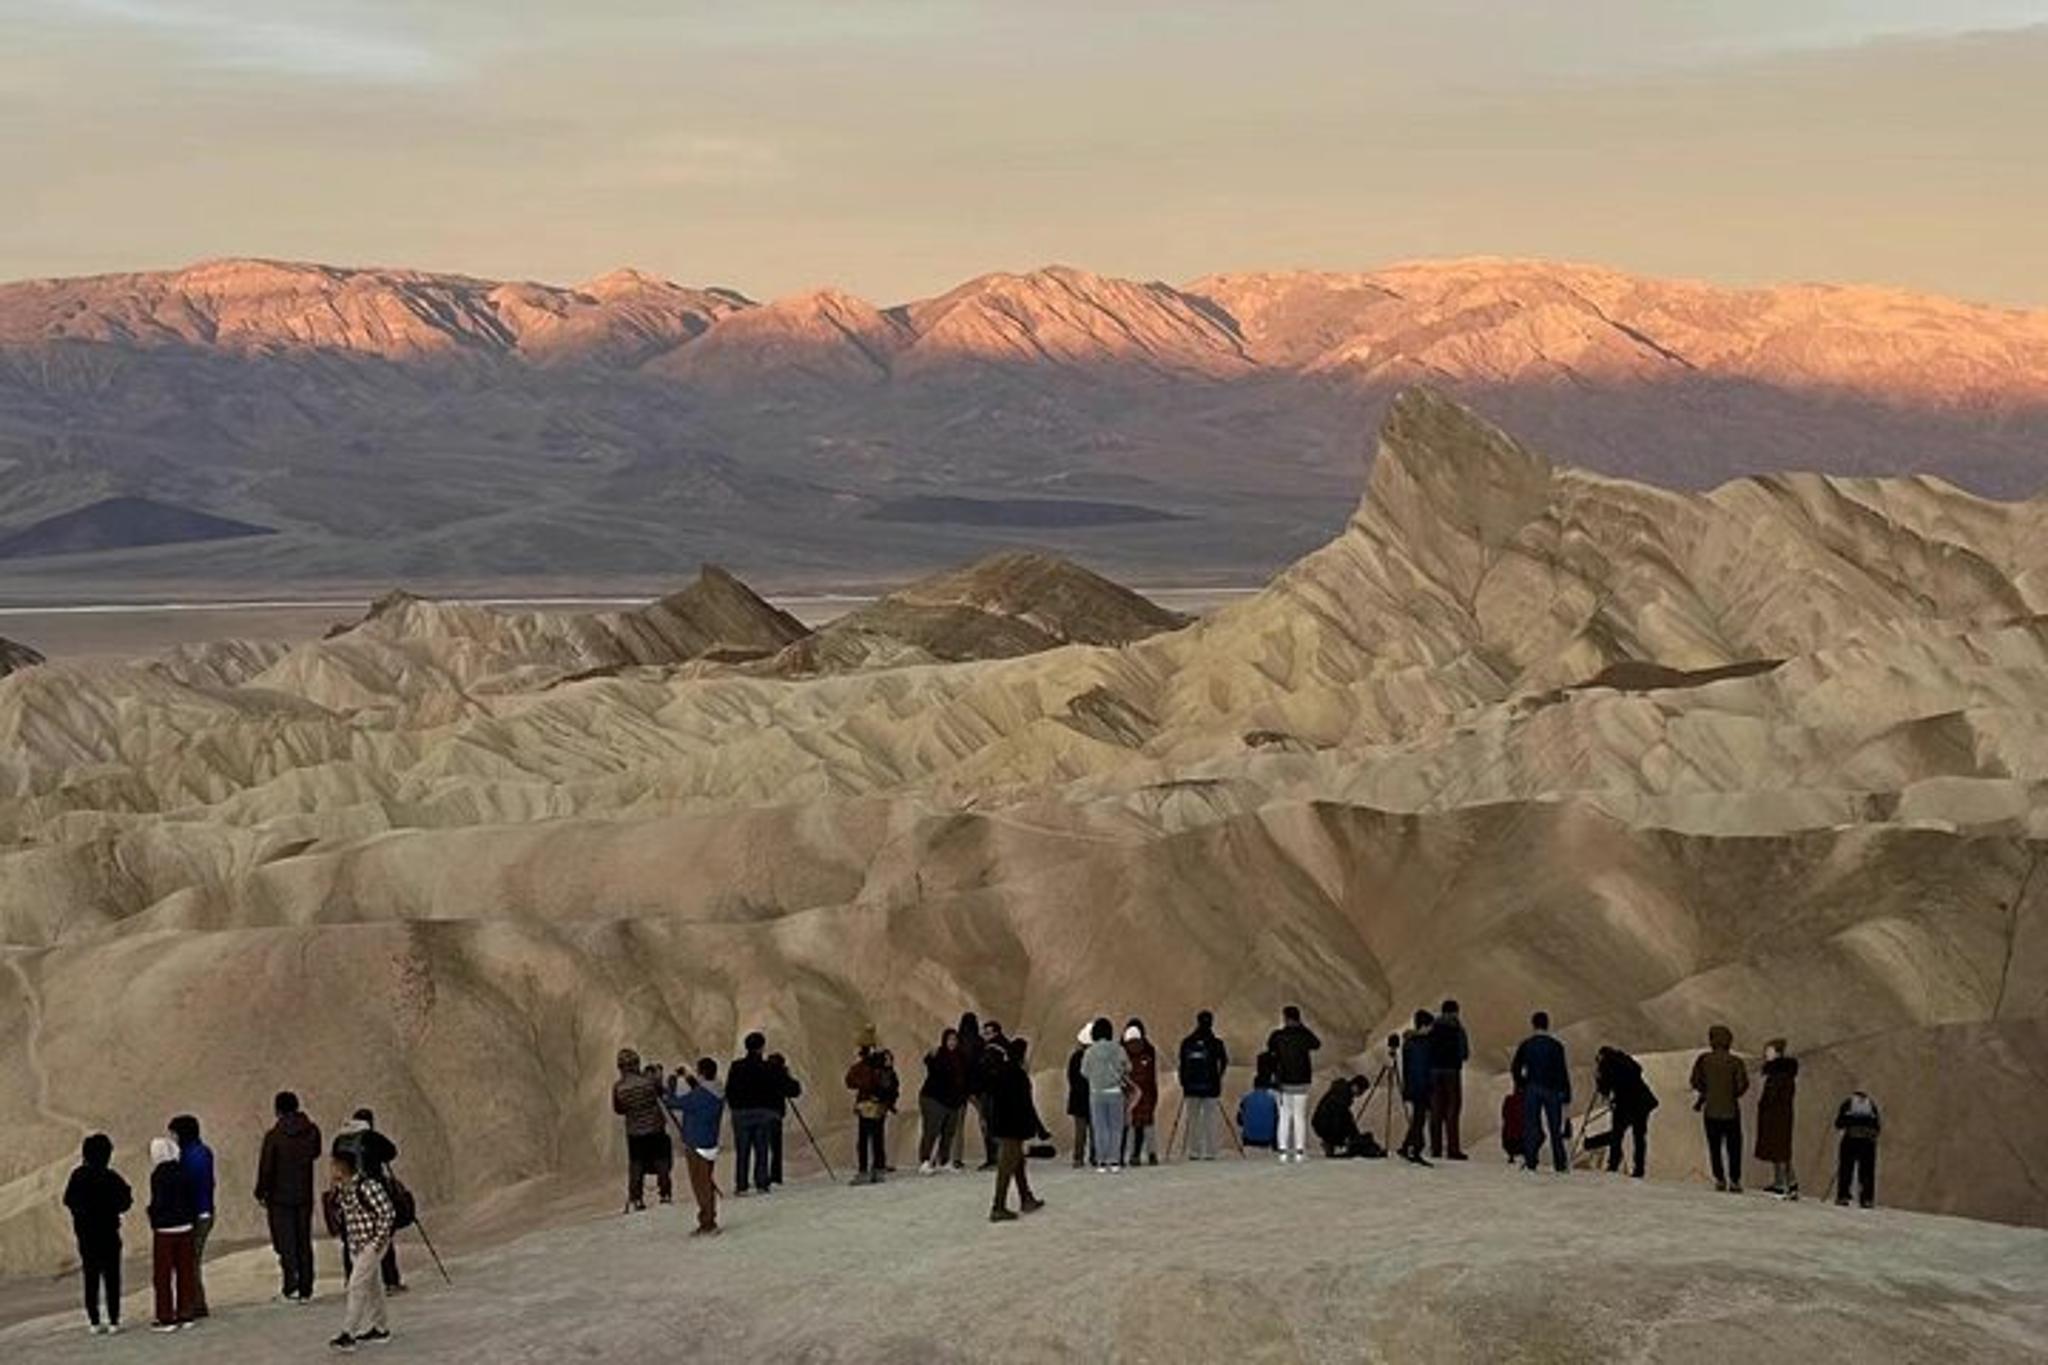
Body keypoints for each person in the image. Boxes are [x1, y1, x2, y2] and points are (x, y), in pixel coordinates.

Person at [256, 1091, 324, 1304]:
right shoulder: (312, 1131)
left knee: (285, 1243)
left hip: (279, 1197)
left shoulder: (274, 1136)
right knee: (304, 1240)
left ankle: (290, 1286)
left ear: (278, 1110)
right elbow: (315, 1153)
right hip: (304, 1193)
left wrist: (260, 1191)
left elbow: (267, 1168)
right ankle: (306, 1288)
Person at [328, 1144, 396, 1351]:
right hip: (357, 1244)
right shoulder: (343, 1188)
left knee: (356, 1285)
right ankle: (381, 1327)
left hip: (371, 1243)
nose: (330, 1169)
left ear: (342, 1166)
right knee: (373, 1286)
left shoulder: (368, 1186)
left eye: (333, 1165)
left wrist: (376, 1243)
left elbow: (388, 1213)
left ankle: (348, 1332)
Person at [63, 1132, 132, 1336]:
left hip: (86, 1236)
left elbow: (69, 1200)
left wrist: (82, 1214)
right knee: (112, 1278)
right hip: (109, 1234)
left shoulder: (78, 1176)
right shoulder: (111, 1177)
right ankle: (114, 1320)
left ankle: (94, 1321)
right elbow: (125, 1202)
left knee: (91, 1278)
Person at [333, 1110, 405, 1293]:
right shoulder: (372, 1137)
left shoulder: (340, 1140)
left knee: (350, 1237)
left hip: (348, 1192)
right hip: (371, 1191)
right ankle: (390, 1281)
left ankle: (352, 1280)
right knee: (381, 1234)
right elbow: (391, 1152)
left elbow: (336, 1164)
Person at [988, 1038, 1051, 1222]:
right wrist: (1039, 1129)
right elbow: (1027, 1105)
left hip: (1003, 1126)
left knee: (1017, 1164)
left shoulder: (1000, 1072)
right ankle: (998, 1206)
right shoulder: (1018, 1075)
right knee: (1007, 1166)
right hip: (1013, 1128)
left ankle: (1026, 1198)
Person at [146, 1135, 199, 1333]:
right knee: (185, 1273)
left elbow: (159, 1202)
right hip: (186, 1227)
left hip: (165, 1230)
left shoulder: (158, 1175)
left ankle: (166, 1317)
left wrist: (152, 1216)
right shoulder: (183, 1171)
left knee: (163, 1275)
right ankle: (186, 1313)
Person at [612, 1047, 674, 1211]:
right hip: (655, 1128)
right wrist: (658, 1077)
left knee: (636, 1165)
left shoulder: (619, 1087)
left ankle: (636, 1198)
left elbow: (618, 1109)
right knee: (661, 1162)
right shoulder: (648, 1082)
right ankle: (665, 1194)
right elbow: (662, 1094)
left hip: (634, 1132)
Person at [1689, 1024, 1749, 1192]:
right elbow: (1742, 1085)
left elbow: (1695, 1081)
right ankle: (1735, 1180)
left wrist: (1707, 1093)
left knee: (1714, 1147)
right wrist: (1731, 1094)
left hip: (1711, 1111)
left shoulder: (1704, 1060)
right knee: (1734, 1147)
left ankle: (1720, 1179)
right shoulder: (1736, 1062)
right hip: (1731, 1110)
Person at [1510, 1011, 1571, 1173]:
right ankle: (1560, 1163)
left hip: (1532, 1088)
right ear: (1547, 1025)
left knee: (1531, 1127)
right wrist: (1566, 1093)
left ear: (1533, 1025)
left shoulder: (1526, 1045)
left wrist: (1521, 1083)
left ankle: (1531, 1161)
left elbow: (1515, 1067)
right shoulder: (1556, 1046)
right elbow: (1562, 1071)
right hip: (1553, 1090)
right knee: (1555, 1128)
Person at [166, 1115, 214, 1319]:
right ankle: (196, 1302)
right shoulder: (204, 1152)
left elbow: (187, 1187)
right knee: (192, 1260)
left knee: (189, 1261)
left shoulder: (186, 1157)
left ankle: (195, 1304)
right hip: (206, 1210)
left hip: (195, 1214)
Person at [670, 1058, 726, 1234]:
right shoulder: (717, 1090)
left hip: (696, 1143)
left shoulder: (699, 1096)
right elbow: (700, 1091)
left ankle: (707, 1222)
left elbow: (673, 1102)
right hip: (710, 1142)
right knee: (706, 1180)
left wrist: (671, 1084)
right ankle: (709, 1217)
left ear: (701, 1072)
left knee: (701, 1185)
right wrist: (688, 1078)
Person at [726, 1032, 783, 1197]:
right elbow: (777, 1087)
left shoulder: (736, 1066)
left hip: (741, 1113)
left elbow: (730, 1090)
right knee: (761, 1149)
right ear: (761, 1047)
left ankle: (741, 1185)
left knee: (742, 1151)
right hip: (762, 1112)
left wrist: (735, 1107)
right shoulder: (767, 1067)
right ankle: (761, 1182)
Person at [1591, 1046, 1657, 1177]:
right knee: (1639, 1136)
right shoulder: (1625, 1059)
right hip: (1643, 1101)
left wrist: (1598, 1078)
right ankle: (1639, 1168)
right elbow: (1638, 1070)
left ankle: (1613, 1164)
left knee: (1617, 1134)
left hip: (1625, 1103)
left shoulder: (1607, 1065)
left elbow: (1604, 1089)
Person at [1267, 1005, 1321, 1163]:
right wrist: (1302, 1027)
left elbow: (1270, 1048)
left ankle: (1283, 1152)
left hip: (1284, 1081)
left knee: (1284, 1116)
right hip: (1302, 1080)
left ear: (1285, 1018)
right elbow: (1317, 1044)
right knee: (1299, 1116)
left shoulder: (1278, 1035)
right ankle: (1299, 1152)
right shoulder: (1304, 1035)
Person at [1176, 1010, 1229, 1161]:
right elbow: (1224, 1062)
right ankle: (1210, 1151)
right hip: (1211, 1087)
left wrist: (1183, 1083)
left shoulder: (1187, 1042)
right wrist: (1218, 1078)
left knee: (1193, 1121)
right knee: (1210, 1120)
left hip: (1191, 1088)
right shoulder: (1216, 1043)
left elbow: (1181, 1064)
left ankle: (1194, 1151)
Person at [1080, 1017, 1132, 1171]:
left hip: (1096, 1093)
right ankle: (1114, 1160)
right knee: (1116, 1127)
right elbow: (1128, 1067)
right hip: (1115, 1092)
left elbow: (1084, 1071)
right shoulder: (1118, 1049)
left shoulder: (1090, 1051)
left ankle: (1101, 1160)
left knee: (1100, 1127)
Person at [845, 1039, 900, 1184]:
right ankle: (873, 1169)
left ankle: (872, 1169)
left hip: (873, 1106)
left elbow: (890, 1089)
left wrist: (884, 1099)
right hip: (870, 1106)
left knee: (871, 1139)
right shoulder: (870, 1068)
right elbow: (850, 1081)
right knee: (871, 1138)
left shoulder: (878, 1069)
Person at [918, 1027, 971, 1174]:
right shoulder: (938, 1054)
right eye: (949, 1039)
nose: (952, 1042)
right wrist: (930, 1057)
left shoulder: (961, 1057)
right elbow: (930, 1064)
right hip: (934, 1098)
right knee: (932, 1130)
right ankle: (925, 1160)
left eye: (955, 1039)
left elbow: (964, 1078)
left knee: (949, 1132)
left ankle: (944, 1160)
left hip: (953, 1101)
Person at [1755, 1038, 1799, 1199]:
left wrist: (1765, 1106)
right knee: (1780, 1149)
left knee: (1779, 1149)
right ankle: (1789, 1182)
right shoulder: (1783, 1072)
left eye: (1769, 1050)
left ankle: (1782, 1183)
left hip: (1776, 1115)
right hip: (1780, 1115)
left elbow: (1773, 1096)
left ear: (1777, 1053)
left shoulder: (1778, 1074)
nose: (1766, 1053)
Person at [1427, 1001, 1470, 1160]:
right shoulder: (1458, 1029)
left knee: (1435, 1109)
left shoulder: (1432, 1029)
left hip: (1433, 1071)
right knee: (1452, 1109)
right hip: (1452, 1071)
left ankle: (1435, 1149)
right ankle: (1453, 1149)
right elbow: (1464, 1053)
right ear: (1455, 1012)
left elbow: (1427, 1049)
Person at [1398, 1010, 1435, 1165]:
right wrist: (1426, 1088)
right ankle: (1414, 1148)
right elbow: (1420, 1069)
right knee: (1419, 1119)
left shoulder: (1411, 1043)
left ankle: (1407, 1146)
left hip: (1414, 1086)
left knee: (1418, 1118)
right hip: (1420, 1087)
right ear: (1424, 1026)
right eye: (1430, 1026)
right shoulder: (1420, 1045)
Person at [972, 1019, 1010, 1170]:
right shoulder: (1006, 1048)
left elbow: (985, 1073)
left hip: (991, 1094)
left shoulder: (991, 1050)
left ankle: (994, 1158)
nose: (984, 1035)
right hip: (1002, 1094)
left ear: (996, 1033)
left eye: (987, 1032)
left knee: (990, 1126)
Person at [1834, 1090, 1881, 1209]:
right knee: (1867, 1172)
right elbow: (1877, 1128)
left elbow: (1839, 1124)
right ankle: (1867, 1199)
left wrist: (1848, 1124)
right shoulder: (1872, 1105)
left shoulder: (1847, 1103)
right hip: (1868, 1143)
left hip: (1850, 1139)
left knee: (1846, 1169)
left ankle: (1843, 1196)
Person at [1122, 1019, 1161, 1167]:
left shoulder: (1123, 1050)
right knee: (1148, 1123)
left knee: (1132, 1125)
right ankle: (1151, 1154)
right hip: (1147, 1091)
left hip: (1130, 1091)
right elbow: (1151, 1075)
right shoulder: (1149, 1050)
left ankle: (1133, 1154)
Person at [763, 1052, 801, 1188]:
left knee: (761, 1146)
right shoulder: (780, 1073)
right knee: (775, 1147)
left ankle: (761, 1175)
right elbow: (794, 1091)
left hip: (760, 1112)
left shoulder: (762, 1072)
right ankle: (776, 1176)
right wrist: (786, 1075)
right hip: (774, 1112)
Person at [1311, 1076, 1368, 1157]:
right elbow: (1336, 1116)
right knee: (1343, 1124)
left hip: (1320, 1121)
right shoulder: (1342, 1095)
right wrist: (1339, 1139)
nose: (1361, 1094)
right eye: (1361, 1090)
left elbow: (1345, 1115)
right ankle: (1329, 1143)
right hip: (1323, 1123)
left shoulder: (1342, 1092)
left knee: (1347, 1123)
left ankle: (1330, 1142)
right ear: (1355, 1086)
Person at [957, 1012, 984, 1172]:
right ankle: (993, 1153)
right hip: (976, 1088)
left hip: (960, 1089)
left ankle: (956, 1158)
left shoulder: (957, 1042)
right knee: (985, 1120)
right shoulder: (980, 1042)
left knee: (957, 1126)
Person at [1065, 1027, 1094, 1169]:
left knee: (1080, 1132)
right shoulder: (1094, 1057)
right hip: (1092, 1098)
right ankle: (1095, 1156)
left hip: (1077, 1100)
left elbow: (1071, 1078)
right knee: (1094, 1130)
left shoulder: (1075, 1057)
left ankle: (1078, 1157)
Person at [1237, 1074, 1279, 1149]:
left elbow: (1239, 1120)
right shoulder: (1272, 1099)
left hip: (1249, 1139)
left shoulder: (1246, 1098)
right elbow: (1276, 1119)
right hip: (1267, 1140)